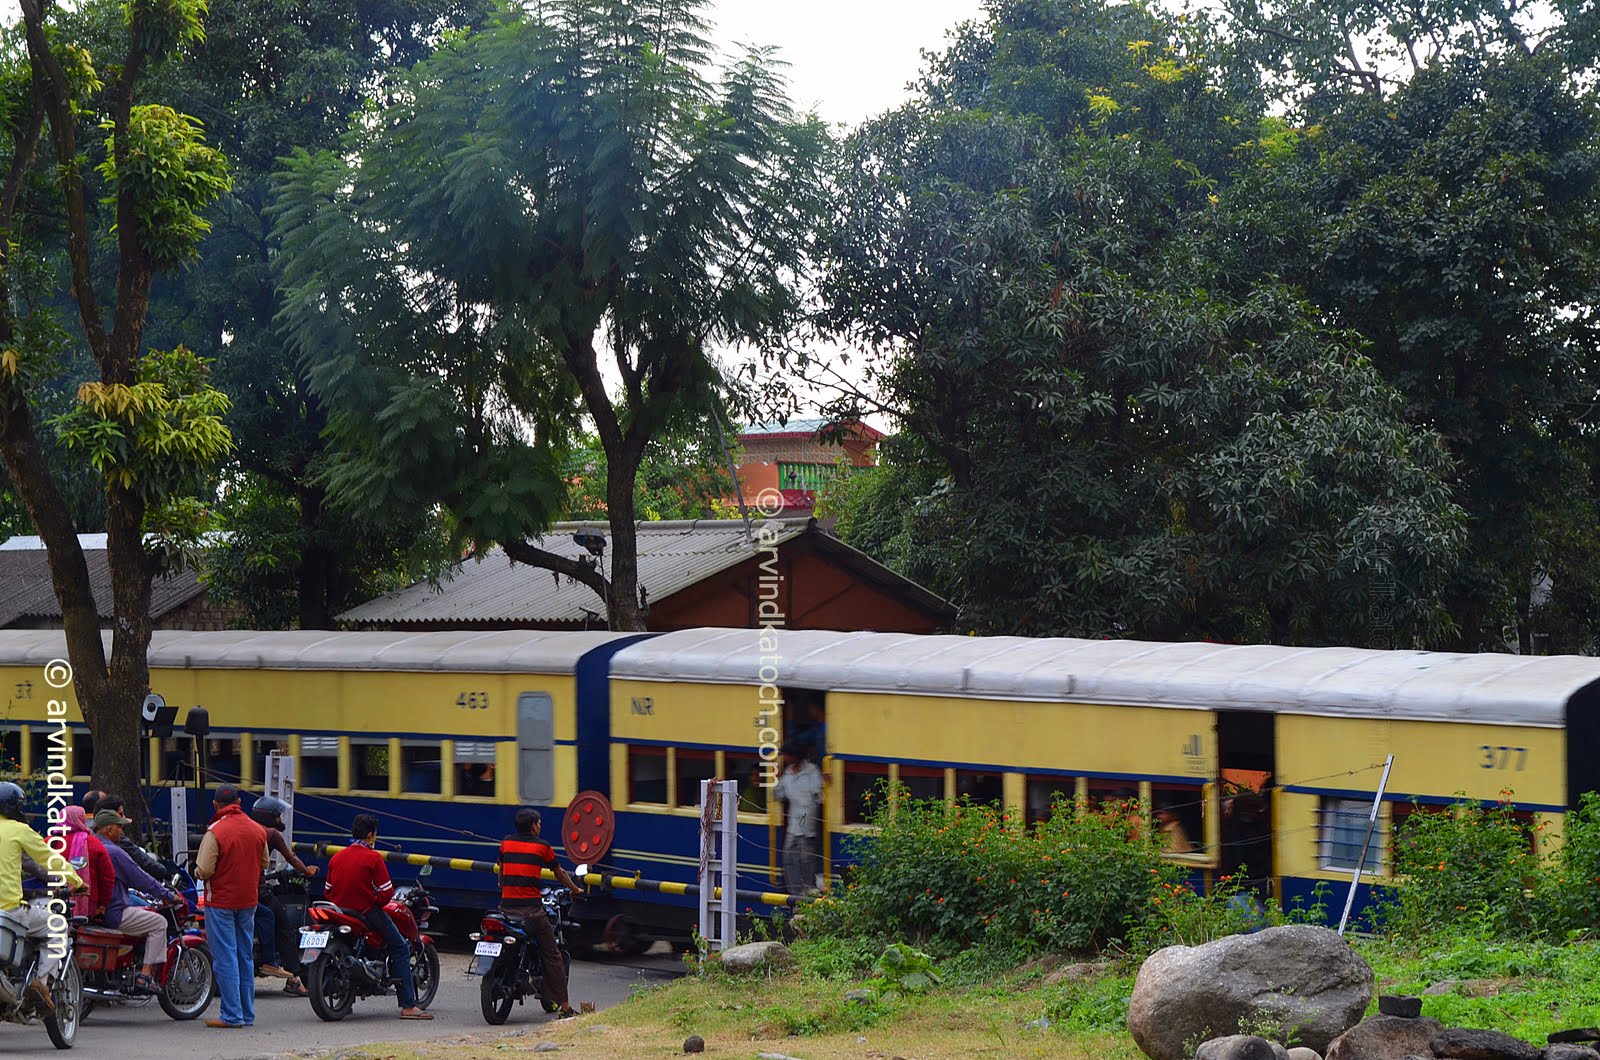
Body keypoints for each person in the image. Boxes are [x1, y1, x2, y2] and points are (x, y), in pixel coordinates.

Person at [325, 814, 431, 1019]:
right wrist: (373, 902)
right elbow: (386, 894)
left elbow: (328, 891)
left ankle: (347, 999)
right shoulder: (373, 858)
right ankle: (408, 1006)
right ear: (371, 835)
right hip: (366, 912)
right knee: (400, 946)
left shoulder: (337, 857)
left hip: (338, 912)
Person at [0, 781, 85, 1013]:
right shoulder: (19, 831)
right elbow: (50, 859)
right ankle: (40, 984)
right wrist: (76, 880)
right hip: (9, 911)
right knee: (57, 926)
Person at [497, 807, 582, 1020]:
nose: (541, 826)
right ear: (534, 826)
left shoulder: (506, 843)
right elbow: (559, 872)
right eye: (539, 823)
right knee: (553, 955)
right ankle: (565, 1007)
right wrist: (575, 889)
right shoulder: (542, 847)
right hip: (531, 911)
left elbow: (501, 870)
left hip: (506, 909)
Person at [193, 784, 267, 1029]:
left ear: (216, 805)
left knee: (225, 957)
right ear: (239, 802)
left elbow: (204, 869)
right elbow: (264, 862)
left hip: (221, 901)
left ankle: (232, 1014)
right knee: (245, 955)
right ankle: (248, 1013)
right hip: (249, 901)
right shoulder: (258, 830)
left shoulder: (215, 831)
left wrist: (195, 871)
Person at [94, 809, 181, 992]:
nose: (122, 832)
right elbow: (140, 878)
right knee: (159, 923)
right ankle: (145, 976)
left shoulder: (89, 845)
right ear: (109, 829)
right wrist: (166, 894)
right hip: (113, 912)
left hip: (92, 912)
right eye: (120, 828)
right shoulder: (115, 852)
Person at [250, 795, 317, 996]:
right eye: (277, 816)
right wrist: (307, 871)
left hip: (243, 888)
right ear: (269, 817)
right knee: (286, 927)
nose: (280, 820)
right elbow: (291, 857)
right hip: (260, 890)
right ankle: (294, 978)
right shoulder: (271, 834)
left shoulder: (249, 830)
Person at [772, 742, 824, 895]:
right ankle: (796, 897)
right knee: (790, 863)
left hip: (807, 829)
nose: (784, 758)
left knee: (806, 864)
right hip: (792, 828)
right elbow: (778, 795)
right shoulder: (788, 773)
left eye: (786, 755)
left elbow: (819, 798)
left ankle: (807, 897)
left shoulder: (812, 772)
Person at [91, 794, 168, 879]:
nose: (124, 817)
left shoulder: (90, 839)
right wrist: (166, 874)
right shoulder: (116, 849)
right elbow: (141, 863)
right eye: (121, 814)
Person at [62, 805, 114, 921]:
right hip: (89, 908)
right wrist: (102, 906)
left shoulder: (49, 842)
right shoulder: (94, 843)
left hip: (52, 905)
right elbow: (108, 879)